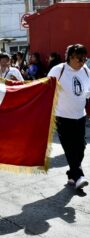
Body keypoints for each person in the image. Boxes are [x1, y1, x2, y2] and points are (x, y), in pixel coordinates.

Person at [48, 44, 90, 190]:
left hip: (80, 115)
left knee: (81, 147)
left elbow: (87, 92)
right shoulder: (58, 70)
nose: (82, 62)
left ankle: (71, 174)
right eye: (79, 59)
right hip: (62, 116)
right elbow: (46, 90)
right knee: (70, 147)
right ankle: (79, 176)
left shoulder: (85, 70)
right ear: (70, 57)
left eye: (84, 59)